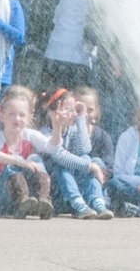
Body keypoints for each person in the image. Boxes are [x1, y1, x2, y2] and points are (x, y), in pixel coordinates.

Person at [0, 86, 54, 217]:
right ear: (1, 116)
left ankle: (43, 200)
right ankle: (22, 201)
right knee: (11, 165)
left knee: (36, 159)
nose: (17, 119)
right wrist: (18, 161)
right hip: (2, 200)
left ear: (30, 117)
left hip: (29, 200)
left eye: (22, 115)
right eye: (12, 114)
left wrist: (58, 127)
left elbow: (51, 148)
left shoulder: (30, 135)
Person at [41, 86, 111, 218]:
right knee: (63, 165)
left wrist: (81, 117)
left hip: (75, 185)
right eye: (69, 110)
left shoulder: (71, 130)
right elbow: (60, 156)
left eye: (75, 110)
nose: (74, 114)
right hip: (58, 191)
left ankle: (98, 202)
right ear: (53, 112)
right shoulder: (45, 133)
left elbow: (84, 149)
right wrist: (91, 167)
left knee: (87, 157)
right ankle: (79, 204)